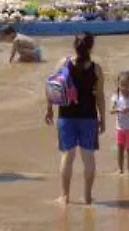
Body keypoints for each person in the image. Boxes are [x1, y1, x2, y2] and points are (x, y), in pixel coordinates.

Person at [45, 33, 105, 205]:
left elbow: (51, 86)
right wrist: (103, 118)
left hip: (66, 116)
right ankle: (87, 197)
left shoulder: (64, 63)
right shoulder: (96, 68)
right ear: (91, 47)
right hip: (89, 117)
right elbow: (99, 95)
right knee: (89, 158)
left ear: (74, 46)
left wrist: (49, 109)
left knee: (67, 156)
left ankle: (65, 196)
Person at [111, 71, 129, 176]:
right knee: (120, 148)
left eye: (127, 85)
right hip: (120, 127)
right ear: (118, 84)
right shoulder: (116, 96)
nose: (125, 88)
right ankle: (120, 169)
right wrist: (118, 110)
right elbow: (111, 110)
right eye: (122, 85)